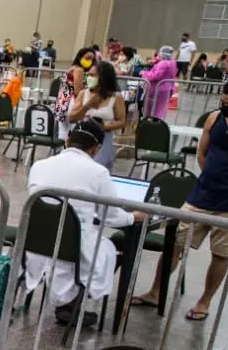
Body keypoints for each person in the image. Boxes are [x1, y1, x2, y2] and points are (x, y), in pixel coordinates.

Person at [133, 76, 228, 321]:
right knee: (175, 244)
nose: (226, 107)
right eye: (223, 101)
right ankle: (155, 292)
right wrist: (212, 178)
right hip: (201, 196)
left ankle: (204, 301)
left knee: (220, 254)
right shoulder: (215, 118)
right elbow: (202, 153)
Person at [25, 120, 146, 324]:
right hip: (73, 247)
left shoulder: (39, 166)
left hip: (36, 242)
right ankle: (74, 302)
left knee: (87, 243)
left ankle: (69, 302)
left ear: (67, 140)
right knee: (108, 250)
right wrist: (133, 216)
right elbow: (111, 215)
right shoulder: (98, 173)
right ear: (95, 148)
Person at [68, 61, 126, 170]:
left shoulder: (116, 97)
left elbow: (121, 121)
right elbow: (72, 118)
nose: (89, 78)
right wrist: (87, 106)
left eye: (93, 75)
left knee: (99, 165)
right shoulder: (83, 93)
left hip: (104, 136)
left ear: (103, 78)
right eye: (88, 75)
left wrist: (103, 126)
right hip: (83, 134)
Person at [56, 48, 95, 137]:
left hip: (62, 100)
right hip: (72, 101)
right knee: (74, 130)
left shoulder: (71, 68)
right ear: (80, 57)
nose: (90, 61)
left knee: (62, 132)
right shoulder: (79, 70)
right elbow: (77, 90)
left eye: (92, 59)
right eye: (87, 58)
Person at [141, 46, 178, 119]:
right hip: (168, 88)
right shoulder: (173, 62)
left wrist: (144, 73)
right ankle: (158, 122)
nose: (158, 55)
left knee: (155, 110)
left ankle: (152, 123)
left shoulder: (163, 63)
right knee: (161, 109)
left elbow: (156, 76)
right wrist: (155, 61)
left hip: (159, 89)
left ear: (162, 54)